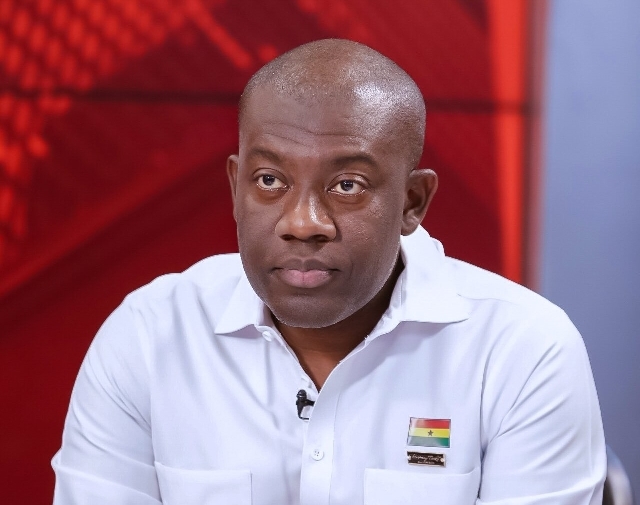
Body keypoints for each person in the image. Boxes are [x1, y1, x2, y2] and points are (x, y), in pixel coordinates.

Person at [52, 39, 606, 505]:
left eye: (347, 186)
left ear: (413, 202)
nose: (302, 223)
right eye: (270, 180)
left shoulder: (522, 349)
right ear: (235, 187)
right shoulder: (150, 336)